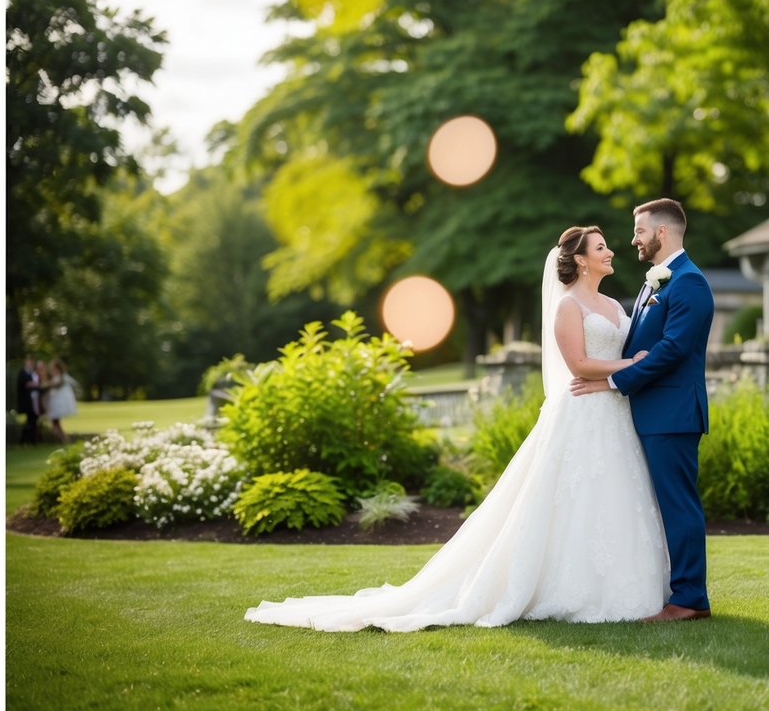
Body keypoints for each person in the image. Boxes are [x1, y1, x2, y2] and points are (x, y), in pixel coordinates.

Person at [245, 226, 670, 632]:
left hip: (615, 415)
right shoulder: (567, 307)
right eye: (600, 248)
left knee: (615, 496)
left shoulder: (616, 307)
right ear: (580, 260)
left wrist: (622, 370)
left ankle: (624, 586)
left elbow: (621, 352)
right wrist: (627, 365)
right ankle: (568, 590)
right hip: (579, 414)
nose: (610, 251)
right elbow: (577, 364)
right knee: (572, 499)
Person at [571, 198, 715, 622]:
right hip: (651, 412)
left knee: (678, 504)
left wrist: (611, 381)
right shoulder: (657, 281)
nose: (632, 239)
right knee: (663, 506)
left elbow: (671, 350)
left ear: (662, 233)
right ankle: (676, 591)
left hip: (672, 412)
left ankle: (689, 600)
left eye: (639, 231)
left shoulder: (689, 283)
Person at [43, 358, 79, 444]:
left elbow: (57, 384)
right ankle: (64, 440)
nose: (54, 370)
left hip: (57, 404)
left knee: (55, 424)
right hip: (54, 404)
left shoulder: (62, 378)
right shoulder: (55, 377)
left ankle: (64, 440)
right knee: (56, 424)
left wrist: (43, 385)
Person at [16, 355, 39, 445]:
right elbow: (26, 385)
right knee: (30, 421)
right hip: (26, 402)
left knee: (32, 420)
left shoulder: (31, 373)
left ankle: (30, 440)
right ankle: (25, 441)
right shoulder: (22, 373)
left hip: (32, 401)